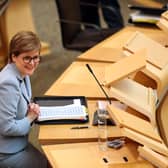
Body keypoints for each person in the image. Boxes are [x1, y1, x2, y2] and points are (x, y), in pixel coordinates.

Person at [0, 31, 48, 168]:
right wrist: (30, 117)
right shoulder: (7, 83)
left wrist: (30, 109)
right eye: (27, 58)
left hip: (20, 144)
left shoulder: (22, 73)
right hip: (7, 153)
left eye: (36, 57)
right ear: (13, 56)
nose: (32, 63)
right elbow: (7, 127)